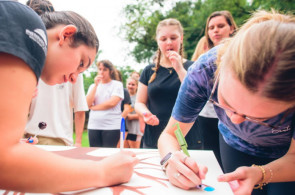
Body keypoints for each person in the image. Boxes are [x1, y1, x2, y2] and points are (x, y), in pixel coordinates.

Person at [0, 0, 137, 192]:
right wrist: (103, 172)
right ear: (66, 35)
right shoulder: (28, 23)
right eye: (81, 63)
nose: (73, 79)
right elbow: (3, 160)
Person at [158, 10, 295, 195]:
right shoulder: (203, 70)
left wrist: (261, 173)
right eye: (226, 103)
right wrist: (171, 159)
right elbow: (171, 135)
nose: (235, 120)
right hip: (234, 145)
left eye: (260, 118)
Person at [135, 18, 202, 149]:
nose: (169, 42)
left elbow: (197, 94)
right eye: (163, 39)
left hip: (186, 134)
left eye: (173, 38)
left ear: (181, 38)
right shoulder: (149, 70)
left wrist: (179, 68)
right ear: (158, 41)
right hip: (154, 133)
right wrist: (145, 114)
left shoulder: (193, 67)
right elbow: (139, 102)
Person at [193, 10, 237, 168]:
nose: (215, 30)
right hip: (207, 115)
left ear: (231, 28)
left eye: (220, 26)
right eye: (211, 28)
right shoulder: (204, 59)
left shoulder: (242, 52)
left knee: (231, 163)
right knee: (214, 160)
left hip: (232, 117)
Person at [24, 74, 88, 146]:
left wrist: (78, 142)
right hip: (32, 136)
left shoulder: (76, 73)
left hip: (53, 138)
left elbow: (80, 109)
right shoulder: (34, 69)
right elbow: (80, 109)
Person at [86, 60, 124, 148]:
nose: (101, 72)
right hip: (94, 125)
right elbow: (87, 104)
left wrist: (94, 108)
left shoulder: (117, 85)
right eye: (100, 69)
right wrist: (96, 85)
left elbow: (112, 103)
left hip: (111, 125)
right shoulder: (92, 86)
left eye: (105, 69)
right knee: (94, 152)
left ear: (110, 71)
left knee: (108, 153)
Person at [125, 77, 143, 148]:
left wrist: (130, 116)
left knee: (135, 151)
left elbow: (143, 114)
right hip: (124, 129)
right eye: (129, 84)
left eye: (133, 84)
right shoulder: (123, 97)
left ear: (137, 86)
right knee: (123, 151)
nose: (130, 86)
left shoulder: (139, 98)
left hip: (135, 129)